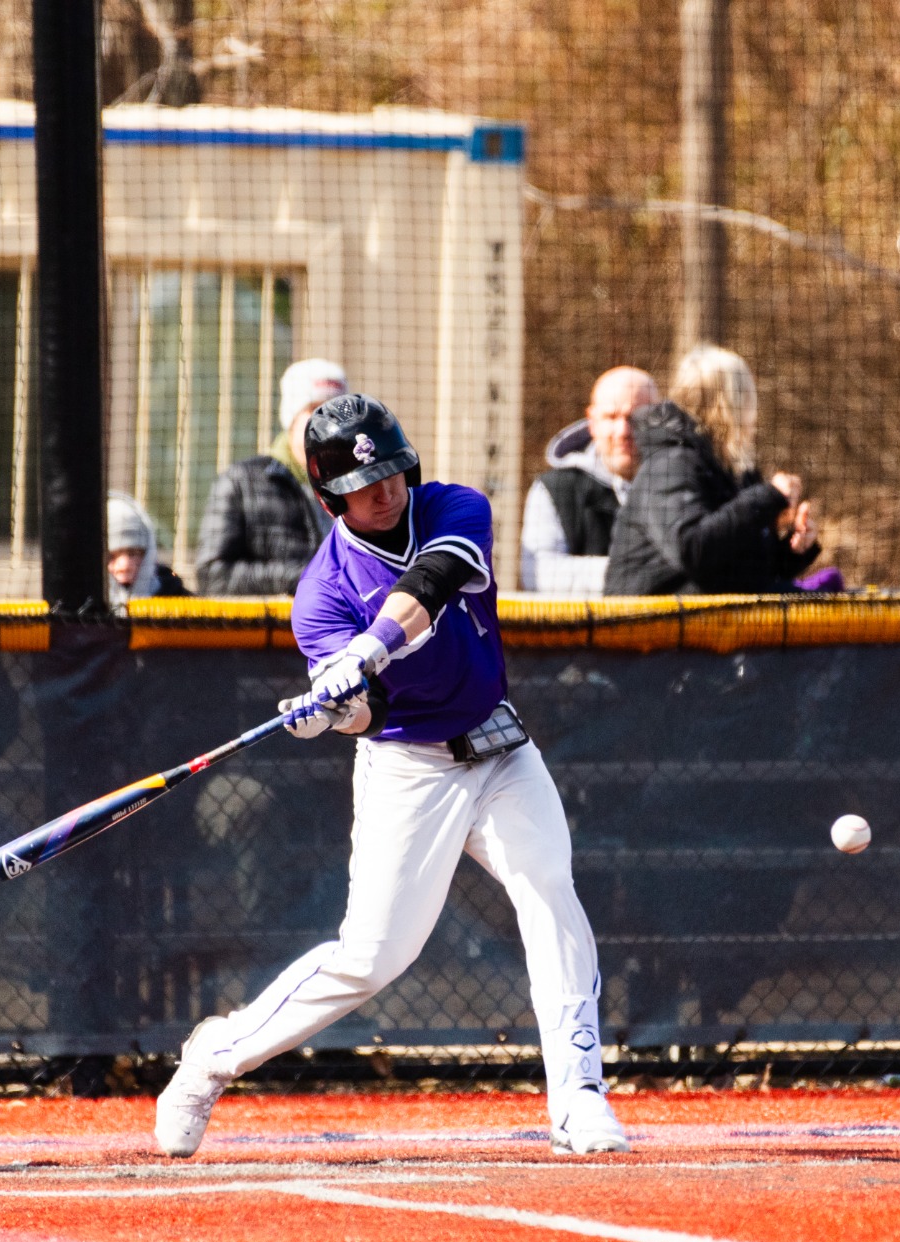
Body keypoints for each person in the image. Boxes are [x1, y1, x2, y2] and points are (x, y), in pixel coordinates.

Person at [154, 393, 625, 1158]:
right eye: (364, 487)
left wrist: (368, 648)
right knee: (372, 957)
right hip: (411, 768)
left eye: (392, 474)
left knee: (549, 891)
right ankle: (214, 1057)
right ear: (328, 497)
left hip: (500, 748)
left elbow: (436, 582)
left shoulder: (455, 505)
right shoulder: (321, 595)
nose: (386, 491)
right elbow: (369, 713)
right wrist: (333, 710)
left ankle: (577, 1094)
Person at [604, 344, 820, 594]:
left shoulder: (732, 469)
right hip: (645, 626)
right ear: (730, 405)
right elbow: (693, 549)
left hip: (708, 623)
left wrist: (793, 550)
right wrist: (766, 497)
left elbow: (742, 571)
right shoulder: (671, 463)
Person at [193, 358, 341, 595]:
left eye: (337, 412)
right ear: (292, 418)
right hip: (273, 628)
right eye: (315, 410)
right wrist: (308, 577)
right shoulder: (241, 482)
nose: (328, 422)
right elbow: (213, 576)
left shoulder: (361, 485)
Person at [520, 367, 657, 594]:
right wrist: (642, 572)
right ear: (592, 421)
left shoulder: (686, 481)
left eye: (635, 418)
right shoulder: (554, 489)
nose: (623, 430)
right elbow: (538, 575)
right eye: (611, 417)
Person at [107, 491, 190, 609]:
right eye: (111, 556)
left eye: (134, 553)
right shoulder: (77, 610)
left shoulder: (180, 602)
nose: (125, 566)